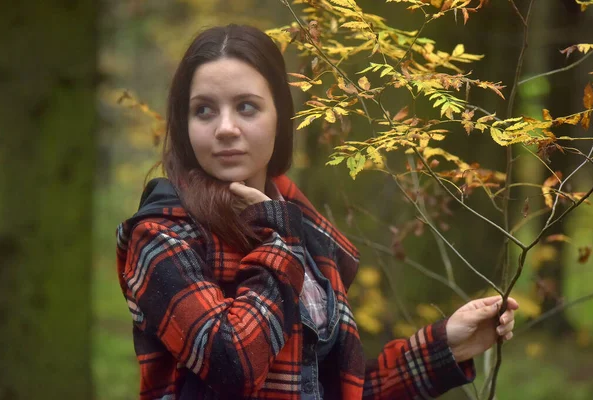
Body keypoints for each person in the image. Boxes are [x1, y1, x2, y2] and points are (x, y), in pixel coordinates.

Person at [116, 24, 518, 400]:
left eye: (246, 107)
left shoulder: (299, 223)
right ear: (184, 124)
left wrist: (442, 347)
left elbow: (331, 387)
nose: (225, 128)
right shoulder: (161, 234)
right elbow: (232, 364)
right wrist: (277, 240)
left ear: (280, 118)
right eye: (204, 110)